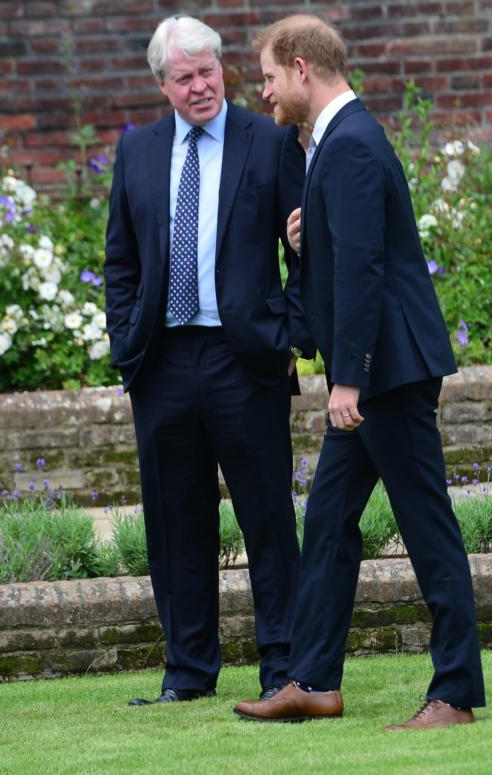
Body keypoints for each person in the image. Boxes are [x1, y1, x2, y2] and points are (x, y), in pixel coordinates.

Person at [234, 15, 486, 729]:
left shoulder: (347, 145)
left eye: (270, 76)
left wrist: (348, 376)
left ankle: (454, 694)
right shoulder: (337, 145)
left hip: (386, 376)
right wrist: (302, 238)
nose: (265, 90)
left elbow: (364, 272)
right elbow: (343, 253)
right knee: (330, 523)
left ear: (303, 67)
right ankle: (311, 680)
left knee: (425, 526)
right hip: (376, 371)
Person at [103, 15, 307, 706]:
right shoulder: (136, 153)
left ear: (224, 68)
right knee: (175, 524)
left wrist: (289, 335)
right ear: (161, 84)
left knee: (267, 522)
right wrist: (127, 347)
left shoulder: (270, 140)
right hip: (161, 364)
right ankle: (187, 672)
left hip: (244, 360)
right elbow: (120, 261)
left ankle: (283, 668)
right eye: (184, 77)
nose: (200, 87)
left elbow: (306, 251)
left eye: (208, 71)